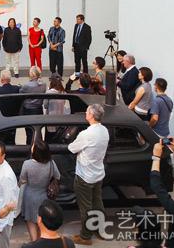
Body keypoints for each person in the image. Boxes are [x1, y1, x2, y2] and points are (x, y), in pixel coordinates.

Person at [67, 104, 109, 245]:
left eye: (86, 111)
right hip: (98, 174)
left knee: (86, 207)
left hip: (85, 176)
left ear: (91, 115)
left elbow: (72, 148)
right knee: (98, 202)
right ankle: (100, 230)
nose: (85, 113)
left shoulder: (86, 134)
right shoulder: (104, 131)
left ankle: (85, 236)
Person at [20, 139, 61, 242]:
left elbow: (22, 179)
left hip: (29, 196)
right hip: (44, 195)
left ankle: (34, 242)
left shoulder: (27, 164)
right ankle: (40, 240)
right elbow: (58, 176)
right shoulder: (51, 163)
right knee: (41, 220)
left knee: (30, 220)